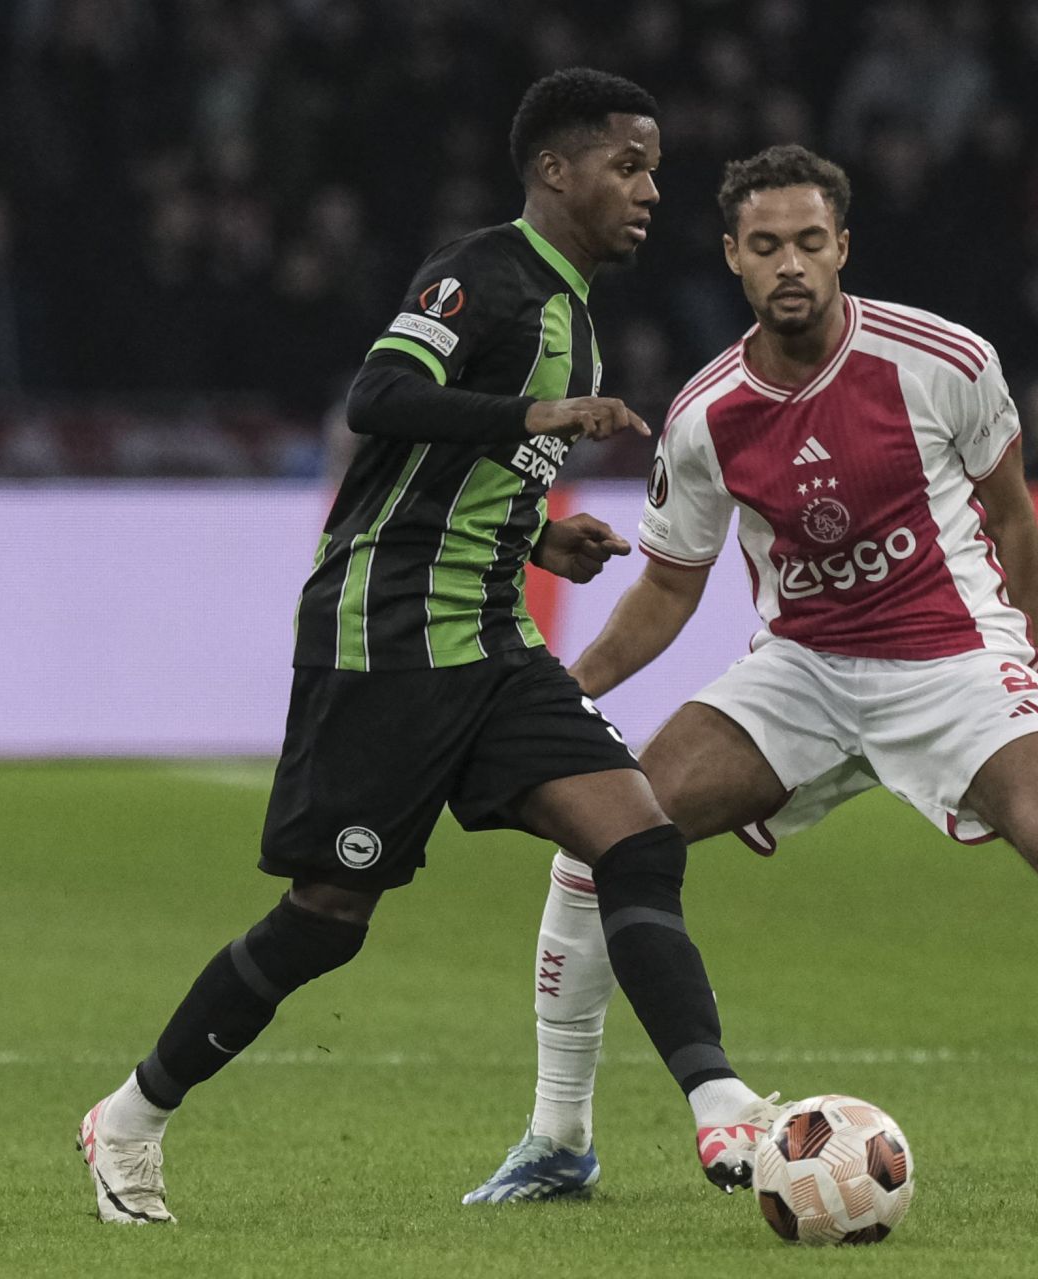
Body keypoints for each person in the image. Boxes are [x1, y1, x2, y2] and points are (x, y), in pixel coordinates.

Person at [463, 145, 1038, 1205]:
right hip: (802, 669)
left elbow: (1011, 513)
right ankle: (558, 1138)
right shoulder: (707, 414)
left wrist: (1026, 666)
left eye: (811, 242)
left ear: (843, 245)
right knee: (605, 830)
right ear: (734, 259)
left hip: (953, 656)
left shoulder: (942, 359)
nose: (791, 264)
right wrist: (567, 692)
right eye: (767, 247)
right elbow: (670, 588)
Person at [76, 69, 782, 1225]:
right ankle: (132, 1116)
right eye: (629, 164)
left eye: (655, 167)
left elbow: (456, 480)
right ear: (555, 169)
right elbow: (378, 396)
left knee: (639, 839)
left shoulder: (577, 318)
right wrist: (531, 419)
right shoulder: (484, 276)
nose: (652, 189)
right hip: (386, 630)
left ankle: (719, 1101)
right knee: (327, 917)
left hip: (491, 636)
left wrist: (544, 538)